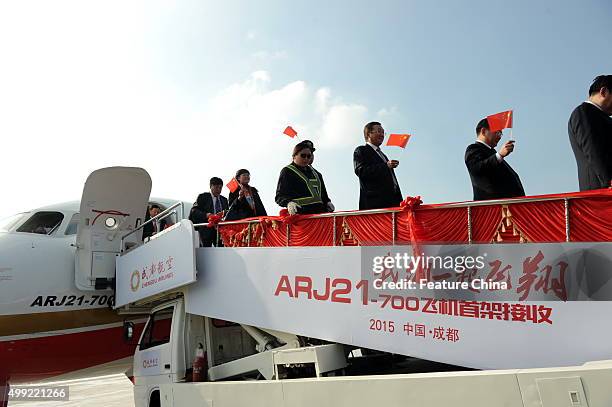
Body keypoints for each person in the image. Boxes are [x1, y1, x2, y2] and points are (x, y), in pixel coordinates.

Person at [568, 75, 612, 191]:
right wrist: (609, 181)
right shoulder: (584, 112)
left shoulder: (602, 116)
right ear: (604, 91)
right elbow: (594, 151)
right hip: (600, 193)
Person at [465, 118, 525, 201]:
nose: (499, 136)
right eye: (497, 132)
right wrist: (499, 155)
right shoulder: (474, 149)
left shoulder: (493, 153)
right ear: (483, 131)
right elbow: (476, 168)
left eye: (501, 134)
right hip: (491, 208)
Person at [275, 140, 334, 215]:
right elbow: (280, 196)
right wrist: (288, 203)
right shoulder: (287, 171)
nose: (306, 159)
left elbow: (324, 196)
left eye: (309, 156)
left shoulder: (317, 174)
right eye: (303, 155)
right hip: (301, 216)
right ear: (294, 156)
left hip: (320, 215)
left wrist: (328, 202)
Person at [353, 122, 403, 210]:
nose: (382, 135)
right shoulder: (361, 150)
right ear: (369, 134)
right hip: (375, 203)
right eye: (379, 131)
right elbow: (361, 171)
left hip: (393, 202)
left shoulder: (384, 156)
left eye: (383, 132)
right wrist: (385, 166)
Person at [189, 177, 229, 246]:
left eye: (220, 188)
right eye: (216, 187)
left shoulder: (224, 200)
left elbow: (228, 213)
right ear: (211, 186)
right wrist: (207, 215)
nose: (219, 190)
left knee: (221, 250)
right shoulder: (203, 197)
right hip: (206, 229)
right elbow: (194, 211)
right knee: (206, 249)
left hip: (220, 230)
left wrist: (224, 213)